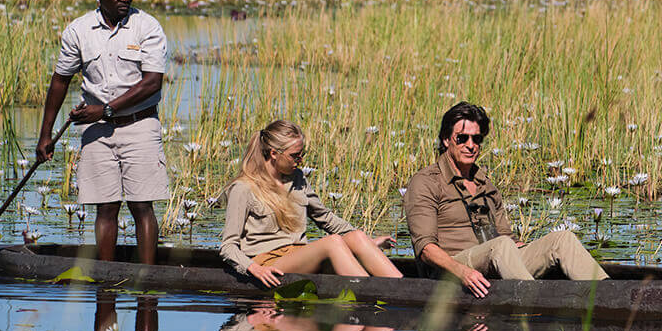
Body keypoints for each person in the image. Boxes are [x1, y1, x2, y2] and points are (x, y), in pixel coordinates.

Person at [35, 0, 168, 265]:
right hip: (96, 130)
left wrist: (106, 109)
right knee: (105, 207)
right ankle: (106, 279)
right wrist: (46, 133)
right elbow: (60, 79)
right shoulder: (79, 31)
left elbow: (152, 83)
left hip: (140, 124)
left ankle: (147, 279)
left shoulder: (146, 27)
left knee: (141, 205)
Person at [404, 102, 607, 297]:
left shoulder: (485, 184)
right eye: (462, 138)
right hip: (452, 269)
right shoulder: (426, 182)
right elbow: (426, 250)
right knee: (500, 246)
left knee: (561, 239)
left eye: (476, 139)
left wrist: (531, 250)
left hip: (495, 258)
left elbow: (507, 239)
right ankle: (536, 302)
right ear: (446, 140)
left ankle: (610, 294)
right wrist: (462, 272)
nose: (470, 145)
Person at [219, 120, 402, 286]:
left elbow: (326, 218)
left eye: (302, 154)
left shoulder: (297, 178)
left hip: (300, 254)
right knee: (333, 242)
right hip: (269, 262)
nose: (300, 161)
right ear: (274, 153)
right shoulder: (243, 188)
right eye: (295, 156)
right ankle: (370, 295)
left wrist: (366, 244)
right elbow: (228, 246)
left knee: (357, 237)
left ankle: (402, 289)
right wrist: (254, 268)